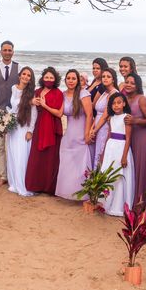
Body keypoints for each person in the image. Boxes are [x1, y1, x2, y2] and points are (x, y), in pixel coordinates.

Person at [55, 69, 93, 200]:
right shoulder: (63, 94)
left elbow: (89, 115)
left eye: (73, 78)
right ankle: (68, 192)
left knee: (81, 164)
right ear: (65, 80)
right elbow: (59, 113)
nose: (70, 81)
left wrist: (87, 133)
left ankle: (83, 194)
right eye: (68, 78)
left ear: (78, 80)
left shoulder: (83, 93)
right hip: (69, 134)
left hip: (81, 134)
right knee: (67, 163)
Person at [24, 67, 64, 194]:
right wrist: (31, 102)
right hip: (38, 126)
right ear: (42, 78)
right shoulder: (37, 91)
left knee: (51, 158)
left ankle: (49, 188)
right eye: (46, 77)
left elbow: (59, 114)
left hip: (52, 127)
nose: (49, 80)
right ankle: (36, 186)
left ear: (55, 79)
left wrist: (45, 105)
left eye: (51, 78)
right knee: (37, 157)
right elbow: (27, 105)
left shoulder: (58, 93)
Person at [0, 40, 19, 186]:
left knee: (13, 144)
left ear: (13, 52)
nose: (7, 52)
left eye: (9, 50)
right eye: (5, 50)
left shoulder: (19, 68)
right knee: (0, 145)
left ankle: (14, 173)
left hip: (13, 112)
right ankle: (3, 175)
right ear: (0, 51)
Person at [122, 72, 146, 209]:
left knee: (142, 170)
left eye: (132, 83)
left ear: (137, 85)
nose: (128, 85)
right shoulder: (124, 98)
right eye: (127, 82)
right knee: (132, 168)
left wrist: (135, 120)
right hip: (130, 137)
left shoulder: (142, 100)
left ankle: (142, 204)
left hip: (143, 138)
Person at [100, 93, 135, 216]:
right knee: (108, 173)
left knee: (119, 175)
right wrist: (104, 153)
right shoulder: (111, 118)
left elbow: (128, 138)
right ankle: (106, 203)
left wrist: (124, 156)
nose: (116, 105)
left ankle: (118, 206)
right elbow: (109, 135)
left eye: (119, 102)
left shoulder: (127, 117)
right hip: (111, 147)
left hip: (121, 148)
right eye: (113, 103)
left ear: (124, 103)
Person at [6, 67, 37, 196]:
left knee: (21, 156)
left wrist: (31, 130)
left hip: (23, 127)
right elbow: (12, 107)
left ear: (30, 79)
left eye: (28, 75)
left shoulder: (31, 93)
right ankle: (14, 183)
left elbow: (34, 113)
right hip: (13, 127)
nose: (25, 77)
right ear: (19, 75)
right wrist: (6, 120)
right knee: (12, 154)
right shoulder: (13, 88)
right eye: (24, 74)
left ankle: (23, 185)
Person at [90, 67, 118, 166]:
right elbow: (98, 113)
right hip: (97, 125)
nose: (105, 78)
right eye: (103, 77)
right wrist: (92, 127)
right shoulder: (104, 92)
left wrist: (95, 130)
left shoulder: (113, 94)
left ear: (113, 79)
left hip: (104, 128)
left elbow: (105, 115)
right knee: (95, 154)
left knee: (100, 153)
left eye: (108, 77)